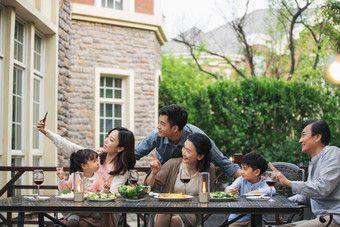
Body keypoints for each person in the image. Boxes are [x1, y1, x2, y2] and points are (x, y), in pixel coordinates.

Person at [135, 104, 241, 178]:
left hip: (191, 177)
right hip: (162, 175)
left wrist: (249, 177)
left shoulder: (197, 136)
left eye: (162, 123)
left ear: (175, 128)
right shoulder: (156, 135)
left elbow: (222, 161)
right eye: (159, 122)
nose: (158, 127)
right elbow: (135, 154)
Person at [270, 119, 340, 227]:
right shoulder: (314, 161)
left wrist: (289, 183)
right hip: (321, 218)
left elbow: (323, 188)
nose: (300, 140)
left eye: (303, 135)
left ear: (317, 137)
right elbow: (308, 197)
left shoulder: (332, 153)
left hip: (334, 218)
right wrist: (284, 203)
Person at [146, 132, 215, 227]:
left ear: (200, 156)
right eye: (184, 148)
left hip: (191, 211)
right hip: (167, 208)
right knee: (167, 212)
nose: (184, 152)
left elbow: (208, 195)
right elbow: (149, 187)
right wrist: (154, 173)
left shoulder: (208, 169)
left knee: (174, 218)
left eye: (188, 151)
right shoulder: (172, 164)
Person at [57, 149, 106, 227]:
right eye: (94, 161)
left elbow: (102, 194)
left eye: (97, 160)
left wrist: (105, 189)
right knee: (72, 222)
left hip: (91, 213)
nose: (98, 163)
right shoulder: (74, 177)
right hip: (75, 211)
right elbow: (64, 192)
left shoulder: (99, 178)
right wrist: (61, 179)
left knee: (84, 224)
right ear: (84, 166)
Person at [225, 151, 274, 227]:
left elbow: (272, 190)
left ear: (257, 172)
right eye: (241, 168)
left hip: (257, 219)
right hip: (237, 219)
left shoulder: (264, 181)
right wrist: (231, 192)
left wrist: (255, 192)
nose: (242, 172)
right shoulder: (241, 180)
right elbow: (228, 189)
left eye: (245, 169)